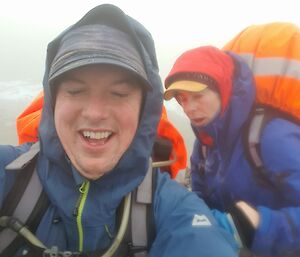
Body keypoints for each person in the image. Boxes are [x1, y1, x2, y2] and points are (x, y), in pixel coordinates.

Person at [0, 4, 239, 257]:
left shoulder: (172, 207)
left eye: (119, 93)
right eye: (75, 90)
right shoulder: (8, 175)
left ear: (143, 110)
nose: (95, 113)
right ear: (52, 102)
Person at [163, 26, 300, 257]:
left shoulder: (270, 137)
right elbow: (202, 198)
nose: (189, 109)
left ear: (223, 89)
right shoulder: (205, 144)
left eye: (198, 96)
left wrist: (260, 226)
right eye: (182, 99)